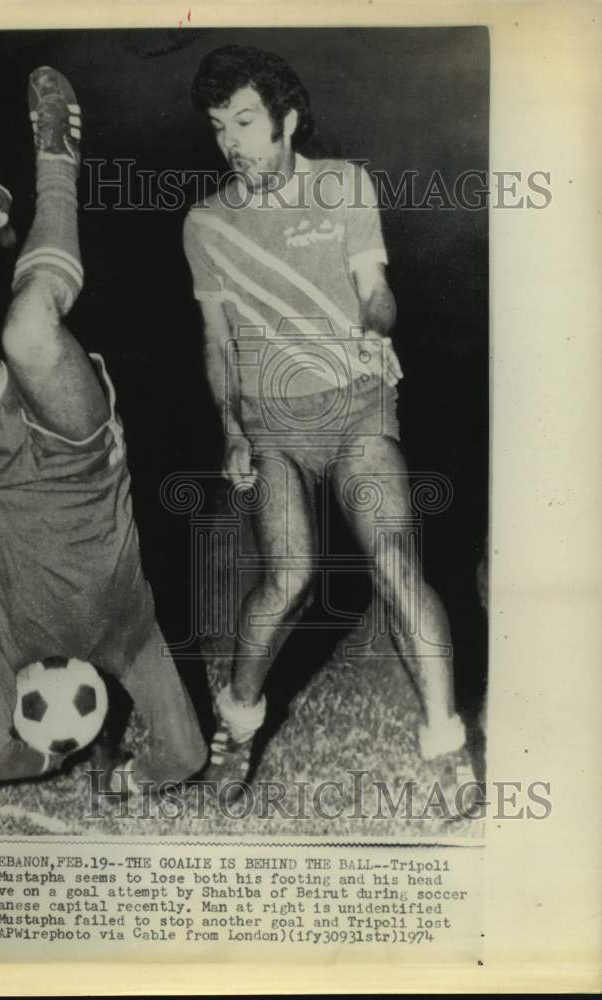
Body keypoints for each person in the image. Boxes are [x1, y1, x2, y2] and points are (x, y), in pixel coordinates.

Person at [0, 66, 206, 797]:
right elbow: (185, 752)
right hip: (81, 463)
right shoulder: (132, 636)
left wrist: (50, 762)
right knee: (28, 329)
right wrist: (137, 777)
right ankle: (57, 159)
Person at [183, 44, 479, 810]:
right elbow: (217, 342)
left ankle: (446, 743)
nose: (231, 142)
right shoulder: (207, 224)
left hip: (355, 407)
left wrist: (378, 329)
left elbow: (375, 291)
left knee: (395, 562)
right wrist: (231, 428)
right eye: (219, 127)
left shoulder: (345, 186)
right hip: (272, 425)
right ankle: (237, 726)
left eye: (245, 121)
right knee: (289, 580)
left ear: (286, 119)